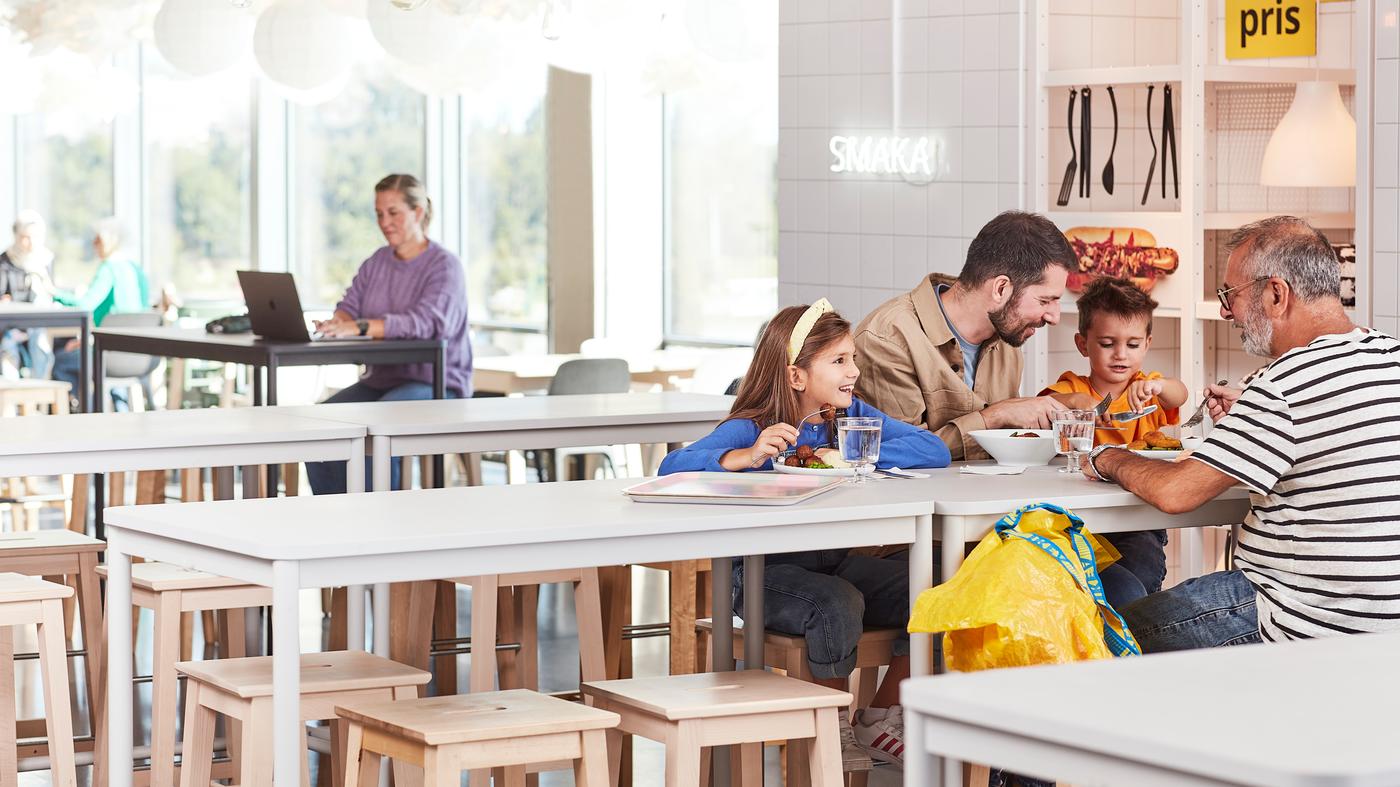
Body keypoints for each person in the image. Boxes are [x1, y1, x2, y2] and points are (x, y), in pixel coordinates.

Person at [1080, 216, 1400, 650]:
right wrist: (1251, 418)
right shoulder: (1390, 354)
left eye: (1230, 295)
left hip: (1298, 616)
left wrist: (1106, 457)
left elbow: (1177, 493)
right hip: (1383, 623)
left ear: (1276, 293)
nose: (1227, 311)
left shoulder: (1284, 384)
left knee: (1094, 634)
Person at [659, 299, 951, 771]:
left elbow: (931, 447)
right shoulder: (749, 426)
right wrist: (744, 456)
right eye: (838, 361)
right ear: (796, 376)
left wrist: (857, 450)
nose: (853, 371)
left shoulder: (846, 416)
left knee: (939, 585)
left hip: (832, 562)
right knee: (836, 602)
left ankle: (879, 718)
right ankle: (831, 727)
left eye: (852, 358)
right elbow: (671, 467)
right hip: (760, 575)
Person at [854, 211, 1075, 460]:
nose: (1054, 317)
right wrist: (995, 417)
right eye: (1045, 300)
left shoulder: (1007, 342)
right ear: (1001, 288)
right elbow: (896, 455)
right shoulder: (888, 339)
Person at [305, 173, 471, 494]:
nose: (385, 222)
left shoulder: (444, 266)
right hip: (382, 382)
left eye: (393, 212)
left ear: (418, 212)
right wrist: (337, 323)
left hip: (437, 384)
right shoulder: (377, 262)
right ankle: (335, 523)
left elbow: (428, 323)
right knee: (318, 427)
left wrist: (364, 326)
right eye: (379, 214)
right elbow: (349, 306)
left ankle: (376, 525)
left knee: (372, 427)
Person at [1038, 277, 1188, 605]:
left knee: (1142, 584)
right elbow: (1046, 408)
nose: (1121, 355)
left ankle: (1136, 643)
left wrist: (1159, 387)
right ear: (1083, 344)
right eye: (1107, 343)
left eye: (1133, 345)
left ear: (1147, 344)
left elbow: (1180, 393)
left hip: (1139, 517)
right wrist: (1077, 403)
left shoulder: (1147, 388)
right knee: (1101, 595)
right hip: (1079, 519)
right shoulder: (1071, 388)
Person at [51, 217, 150, 409]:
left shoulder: (109, 269)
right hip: (138, 355)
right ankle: (117, 407)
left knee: (61, 360)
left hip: (109, 354)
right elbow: (139, 313)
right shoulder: (136, 270)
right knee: (88, 355)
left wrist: (54, 292)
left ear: (109, 241)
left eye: (98, 239)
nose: (94, 245)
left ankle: (85, 410)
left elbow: (84, 305)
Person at [0, 210, 57, 378]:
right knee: (8, 346)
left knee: (41, 343)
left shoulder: (46, 260)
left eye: (35, 236)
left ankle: (39, 395)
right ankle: (11, 397)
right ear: (17, 236)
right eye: (25, 237)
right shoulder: (5, 261)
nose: (30, 242)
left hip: (39, 324)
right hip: (11, 326)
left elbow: (51, 292)